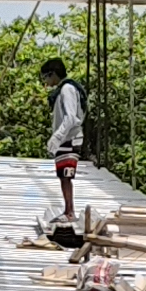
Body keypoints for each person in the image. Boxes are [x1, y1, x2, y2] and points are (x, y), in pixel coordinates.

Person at [41, 54, 87, 226]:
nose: (46, 81)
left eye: (46, 77)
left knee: (66, 175)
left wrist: (57, 136)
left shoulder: (67, 89)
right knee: (62, 175)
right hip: (65, 139)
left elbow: (70, 118)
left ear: (53, 74)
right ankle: (68, 210)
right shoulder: (64, 89)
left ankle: (70, 211)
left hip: (70, 138)